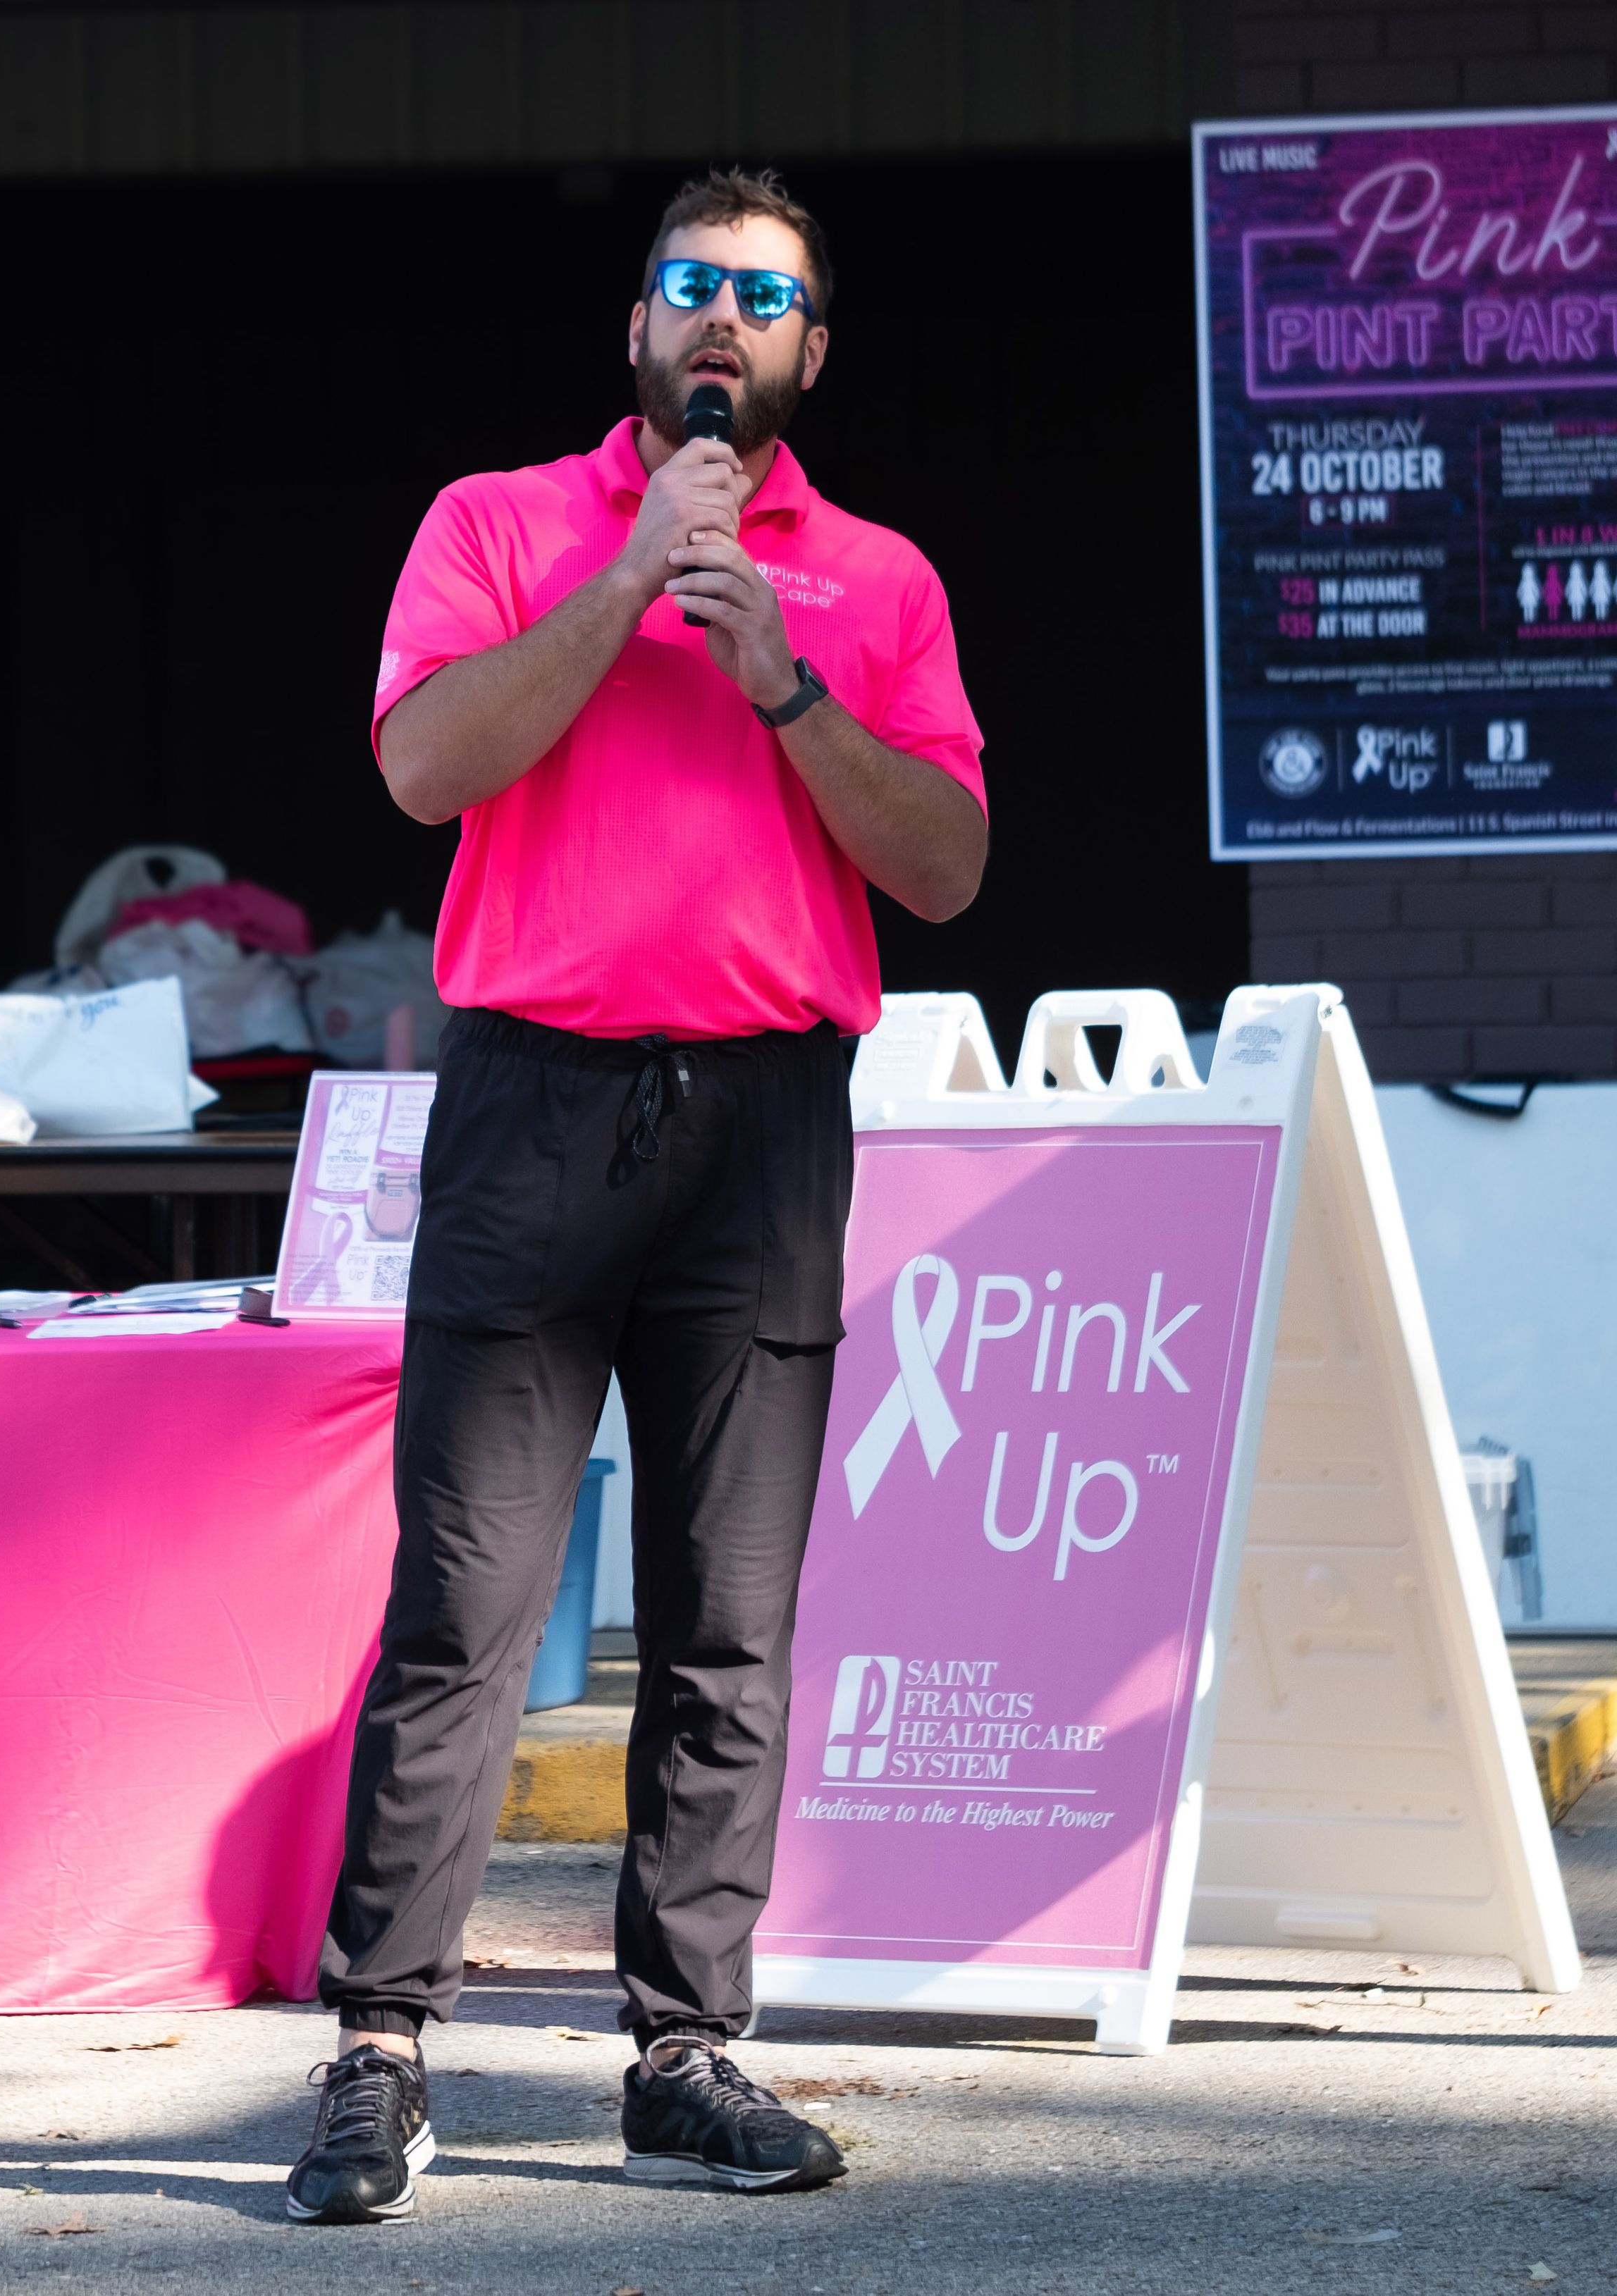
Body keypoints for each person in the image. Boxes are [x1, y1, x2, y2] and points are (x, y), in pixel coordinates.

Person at [286, 168, 989, 2223]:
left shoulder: (874, 578)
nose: (719, 324)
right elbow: (424, 772)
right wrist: (622, 595)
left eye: (760, 300)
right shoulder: (496, 524)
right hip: (533, 1103)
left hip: (764, 1118)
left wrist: (779, 676)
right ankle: (377, 2046)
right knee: (466, 1599)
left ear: (809, 352)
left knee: (724, 1619)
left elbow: (940, 866)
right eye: (688, 287)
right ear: (632, 325)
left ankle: (684, 2050)